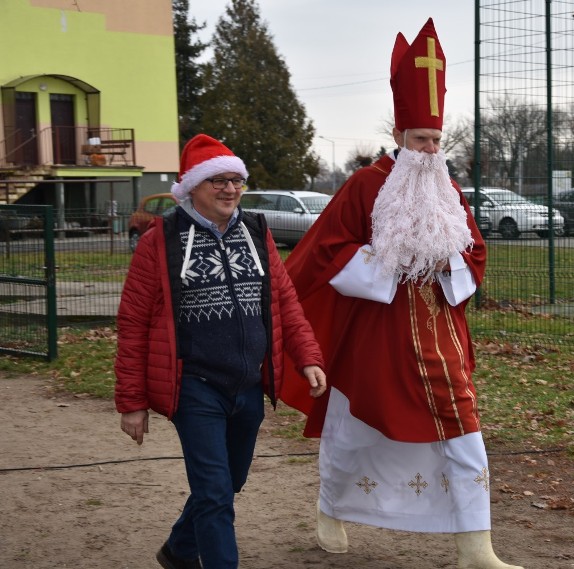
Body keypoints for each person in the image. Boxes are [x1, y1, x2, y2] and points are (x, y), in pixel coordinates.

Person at [281, 19, 522, 569]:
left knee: (464, 429)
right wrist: (390, 264)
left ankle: (475, 547)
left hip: (440, 335)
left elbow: (475, 252)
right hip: (376, 332)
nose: (430, 149)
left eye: (437, 140)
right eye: (420, 139)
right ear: (399, 135)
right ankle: (330, 509)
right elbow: (327, 251)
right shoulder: (366, 185)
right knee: (354, 429)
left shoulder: (449, 188)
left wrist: (448, 262)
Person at [114, 134, 327, 569]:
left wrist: (308, 356)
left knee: (232, 480)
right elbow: (133, 322)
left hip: (248, 382)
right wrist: (132, 402)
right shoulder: (162, 239)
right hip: (194, 385)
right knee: (214, 494)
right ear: (193, 186)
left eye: (237, 181)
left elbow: (284, 299)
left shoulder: (257, 230)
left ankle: (178, 549)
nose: (230, 190)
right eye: (218, 181)